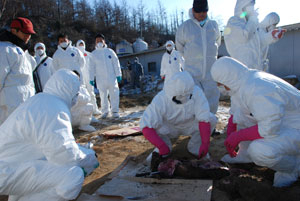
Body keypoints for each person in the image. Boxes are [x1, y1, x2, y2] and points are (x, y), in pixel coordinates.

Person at [0, 69, 99, 200]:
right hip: (7, 172)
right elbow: (63, 155)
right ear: (69, 90)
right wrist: (88, 158)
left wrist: (81, 150)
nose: (76, 98)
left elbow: (52, 145)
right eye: (75, 93)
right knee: (73, 176)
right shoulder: (53, 108)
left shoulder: (40, 100)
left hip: (11, 166)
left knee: (42, 171)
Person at [211, 56, 300, 187]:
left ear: (228, 78)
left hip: (295, 128)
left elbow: (269, 128)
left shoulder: (257, 88)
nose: (219, 87)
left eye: (219, 83)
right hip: (283, 124)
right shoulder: (244, 82)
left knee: (260, 151)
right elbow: (238, 113)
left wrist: (238, 136)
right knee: (244, 117)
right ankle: (245, 155)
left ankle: (292, 168)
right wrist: (231, 133)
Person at [140, 71, 217, 158]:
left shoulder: (197, 92)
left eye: (187, 96)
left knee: (211, 119)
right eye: (179, 98)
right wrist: (161, 146)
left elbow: (204, 118)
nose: (183, 100)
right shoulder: (161, 99)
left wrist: (205, 143)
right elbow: (146, 126)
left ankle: (196, 146)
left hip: (190, 124)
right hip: (170, 127)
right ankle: (164, 148)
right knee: (154, 124)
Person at [176, 0, 221, 114]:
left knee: (212, 97)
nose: (201, 14)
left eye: (204, 11)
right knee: (194, 99)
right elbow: (179, 47)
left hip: (210, 70)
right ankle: (196, 127)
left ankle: (210, 127)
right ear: (193, 10)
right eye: (198, 11)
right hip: (193, 71)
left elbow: (217, 42)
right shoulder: (185, 27)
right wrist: (190, 59)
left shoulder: (213, 25)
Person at [224, 0, 286, 72]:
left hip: (255, 70)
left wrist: (271, 36)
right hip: (242, 71)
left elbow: (259, 43)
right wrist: (253, 19)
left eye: (253, 5)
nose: (252, 8)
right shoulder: (233, 21)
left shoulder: (251, 25)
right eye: (250, 5)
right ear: (242, 5)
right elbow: (244, 37)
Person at [0, 17, 36, 125]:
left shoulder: (22, 50)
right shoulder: (4, 49)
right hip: (9, 107)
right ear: (13, 30)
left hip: (24, 104)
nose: (28, 36)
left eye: (29, 33)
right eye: (25, 32)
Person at [92, 34, 122, 119]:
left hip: (112, 78)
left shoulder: (110, 52)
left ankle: (115, 111)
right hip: (100, 79)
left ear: (104, 41)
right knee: (103, 96)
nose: (99, 42)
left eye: (101, 41)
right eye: (97, 41)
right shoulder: (93, 54)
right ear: (95, 42)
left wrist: (118, 74)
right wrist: (91, 78)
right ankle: (105, 111)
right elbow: (91, 68)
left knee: (114, 94)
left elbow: (116, 64)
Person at [76, 39, 101, 115]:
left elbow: (93, 66)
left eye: (82, 44)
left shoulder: (89, 55)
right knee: (83, 95)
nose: (81, 46)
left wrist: (93, 77)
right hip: (80, 78)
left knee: (91, 93)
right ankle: (85, 112)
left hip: (89, 77)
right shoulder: (74, 54)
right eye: (79, 45)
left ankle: (94, 109)